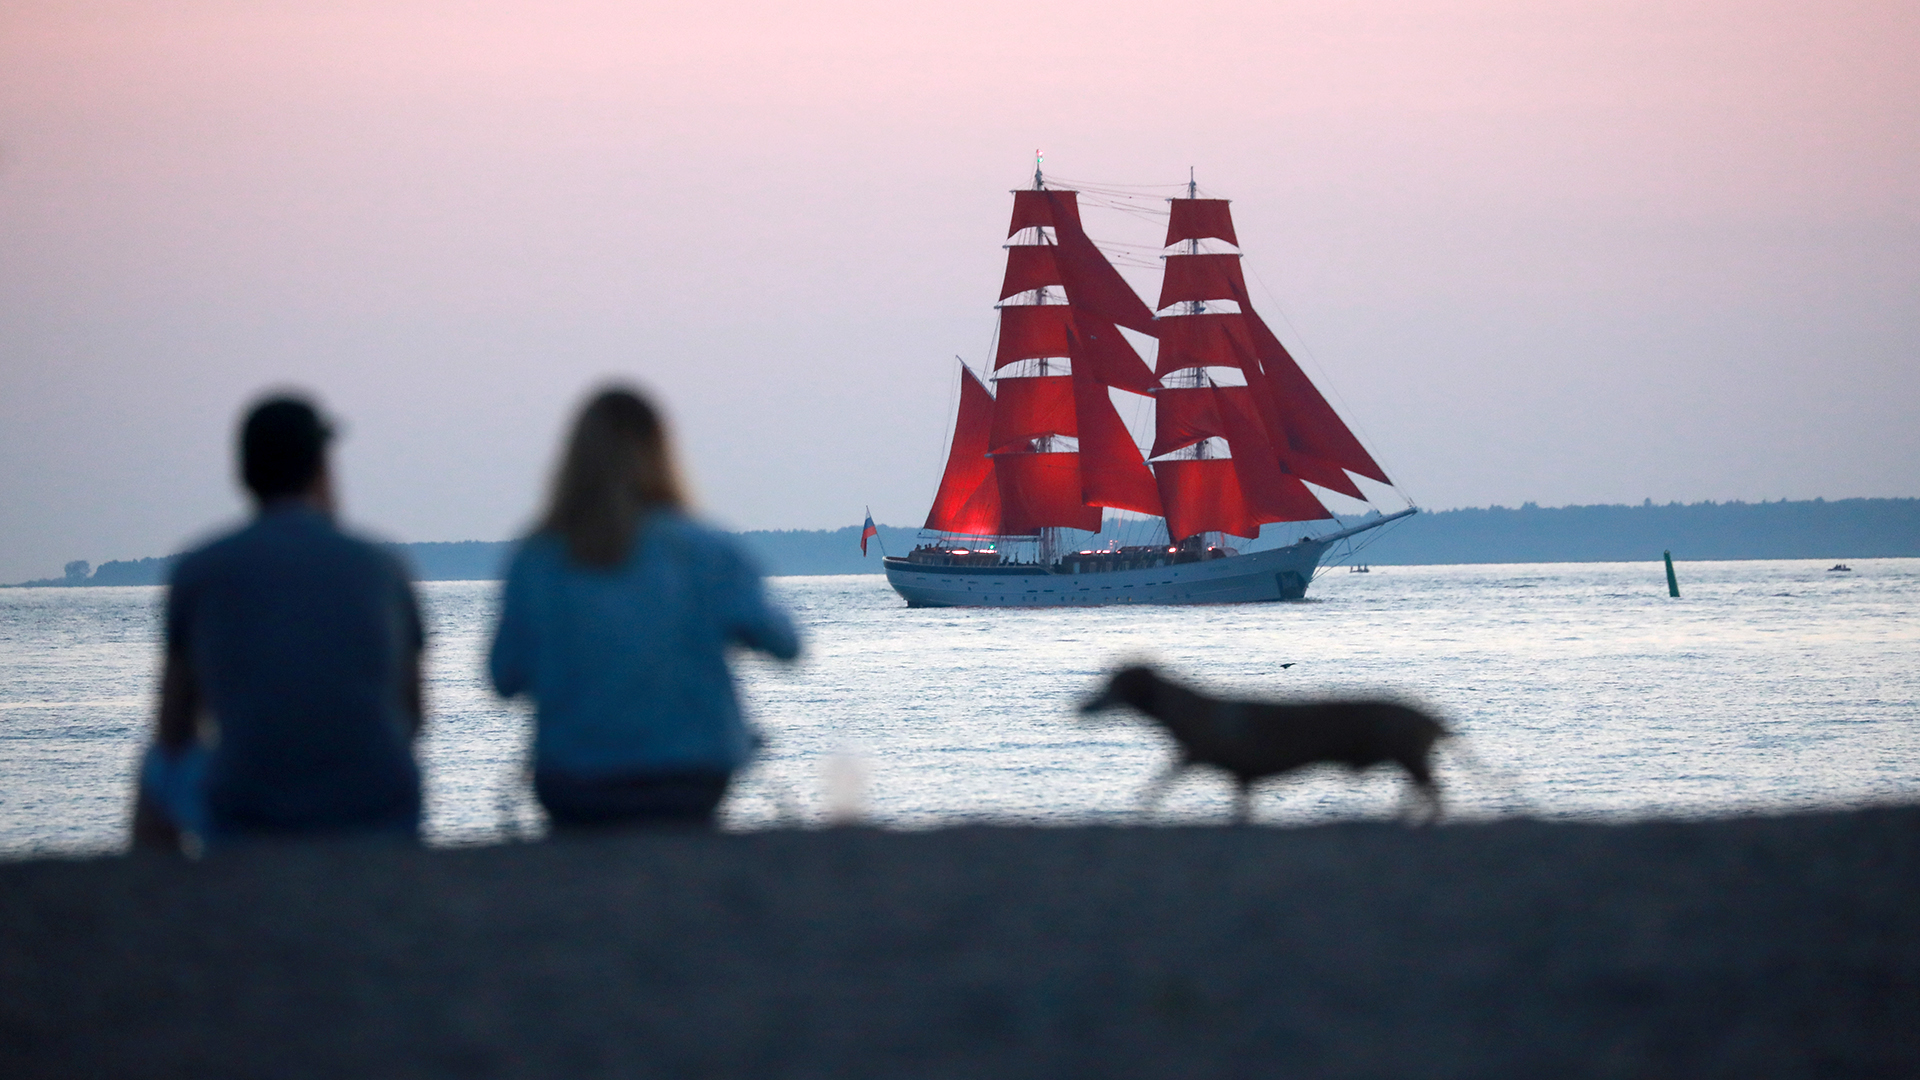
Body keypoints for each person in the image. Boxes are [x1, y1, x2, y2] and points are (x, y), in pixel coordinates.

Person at [490, 386, 799, 828]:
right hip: (691, 773)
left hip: (574, 779)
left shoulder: (536, 558)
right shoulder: (706, 548)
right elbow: (786, 645)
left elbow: (505, 678)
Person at [131, 395, 425, 850]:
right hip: (379, 811)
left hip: (248, 815)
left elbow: (174, 727)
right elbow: (415, 713)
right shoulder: (385, 567)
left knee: (157, 764)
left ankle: (152, 897)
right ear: (321, 469)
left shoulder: (201, 570)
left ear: (243, 473)